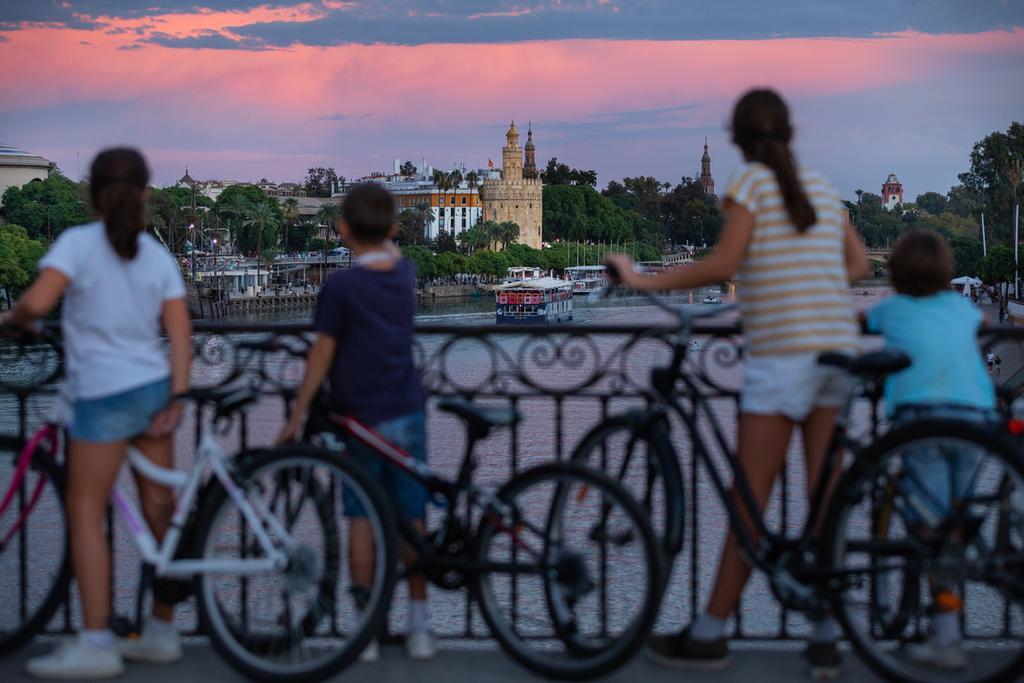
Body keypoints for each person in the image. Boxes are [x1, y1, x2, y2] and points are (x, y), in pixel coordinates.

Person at [606, 88, 869, 678]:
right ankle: (826, 635)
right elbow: (857, 267)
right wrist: (806, 273)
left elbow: (723, 265)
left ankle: (709, 633)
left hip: (783, 358)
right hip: (836, 352)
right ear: (789, 134)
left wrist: (643, 281)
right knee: (823, 503)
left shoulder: (749, 184)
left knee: (750, 503)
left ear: (739, 139)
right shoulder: (822, 191)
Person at [1, 148, 192, 679]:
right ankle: (160, 630)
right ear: (146, 194)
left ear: (90, 193)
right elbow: (179, 333)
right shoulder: (156, 255)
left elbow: (37, 304)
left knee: (87, 515)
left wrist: (11, 319)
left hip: (102, 394)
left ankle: (96, 641)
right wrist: (177, 397)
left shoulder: (78, 244)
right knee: (160, 512)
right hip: (152, 390)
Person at [276, 183, 436, 661]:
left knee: (361, 518)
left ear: (343, 229)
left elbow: (323, 353)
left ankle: (365, 628)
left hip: (359, 420)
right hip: (406, 409)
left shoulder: (342, 287)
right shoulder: (403, 273)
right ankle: (421, 624)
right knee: (413, 517)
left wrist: (298, 413)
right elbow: (391, 248)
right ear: (391, 228)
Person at [865, 228, 996, 670]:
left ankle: (944, 637)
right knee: (954, 525)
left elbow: (858, 327)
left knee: (932, 528)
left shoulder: (891, 308)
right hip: (975, 421)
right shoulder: (962, 307)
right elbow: (981, 328)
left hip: (922, 423)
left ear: (897, 271)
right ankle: (950, 626)